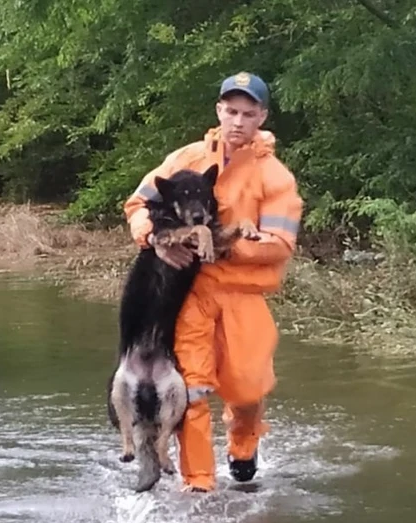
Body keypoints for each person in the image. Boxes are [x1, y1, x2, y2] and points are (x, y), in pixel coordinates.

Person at [122, 72, 304, 493]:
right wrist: (154, 239)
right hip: (190, 295)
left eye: (248, 113)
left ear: (262, 116)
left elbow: (279, 244)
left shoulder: (276, 177)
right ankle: (198, 483)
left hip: (242, 295)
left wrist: (226, 247)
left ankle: (244, 442)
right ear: (219, 110)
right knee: (193, 390)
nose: (238, 121)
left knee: (246, 388)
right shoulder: (183, 159)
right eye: (231, 111)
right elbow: (137, 204)